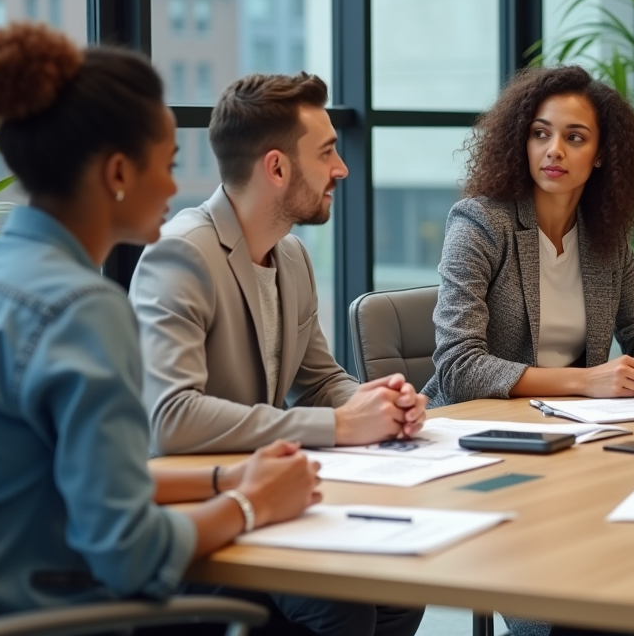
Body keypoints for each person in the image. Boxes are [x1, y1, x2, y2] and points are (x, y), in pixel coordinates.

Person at [0, 23, 319, 623]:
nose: (172, 186)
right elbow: (129, 554)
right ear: (116, 173)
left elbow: (69, 480)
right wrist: (249, 504)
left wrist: (228, 476)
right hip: (45, 613)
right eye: (167, 163)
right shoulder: (84, 309)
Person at [130, 72, 427, 457]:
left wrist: (383, 406)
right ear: (277, 168)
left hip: (268, 480)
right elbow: (170, 418)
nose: (341, 169)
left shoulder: (292, 255)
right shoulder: (180, 254)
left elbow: (318, 383)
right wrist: (339, 425)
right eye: (326, 152)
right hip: (194, 496)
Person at [422, 66, 634, 406]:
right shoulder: (480, 223)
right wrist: (586, 381)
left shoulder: (605, 237)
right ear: (522, 141)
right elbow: (459, 369)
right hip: (476, 427)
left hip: (572, 425)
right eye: (540, 134)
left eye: (575, 137)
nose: (554, 149)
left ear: (602, 154)